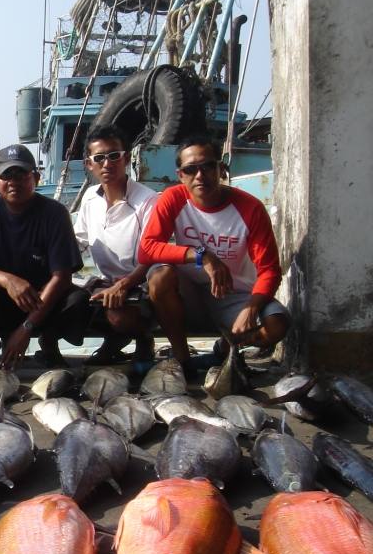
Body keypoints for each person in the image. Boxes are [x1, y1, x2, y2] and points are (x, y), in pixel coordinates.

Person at [138, 135, 289, 373]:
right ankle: (183, 362)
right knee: (159, 277)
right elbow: (147, 249)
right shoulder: (173, 198)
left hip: (233, 294)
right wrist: (203, 256)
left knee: (277, 325)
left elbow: (269, 269)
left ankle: (226, 348)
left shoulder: (250, 208)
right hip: (187, 293)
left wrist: (251, 308)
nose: (200, 175)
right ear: (181, 175)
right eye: (190, 169)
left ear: (221, 168)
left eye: (207, 166)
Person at [0, 144, 89, 370]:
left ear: (35, 178)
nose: (14, 181)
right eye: (6, 175)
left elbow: (62, 277)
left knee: (77, 300)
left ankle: (49, 343)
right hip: (2, 298)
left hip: (41, 299)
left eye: (21, 174)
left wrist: (26, 327)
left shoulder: (55, 213)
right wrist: (9, 281)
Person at [74, 125, 159, 365]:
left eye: (114, 156)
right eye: (99, 158)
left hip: (140, 284)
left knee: (118, 316)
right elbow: (78, 241)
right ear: (89, 164)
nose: (107, 164)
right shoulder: (90, 197)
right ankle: (113, 341)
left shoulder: (147, 201)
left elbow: (152, 255)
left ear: (126, 158)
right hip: (106, 282)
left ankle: (143, 338)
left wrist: (124, 284)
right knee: (63, 300)